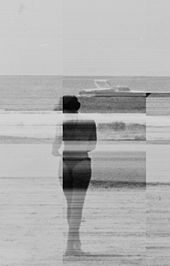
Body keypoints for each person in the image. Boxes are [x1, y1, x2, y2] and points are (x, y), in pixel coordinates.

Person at [52, 95, 97, 256]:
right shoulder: (89, 121)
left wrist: (57, 150)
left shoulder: (61, 122)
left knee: (70, 204)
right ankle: (72, 244)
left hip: (65, 163)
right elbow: (92, 145)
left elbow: (55, 146)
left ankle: (73, 242)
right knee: (78, 205)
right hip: (82, 162)